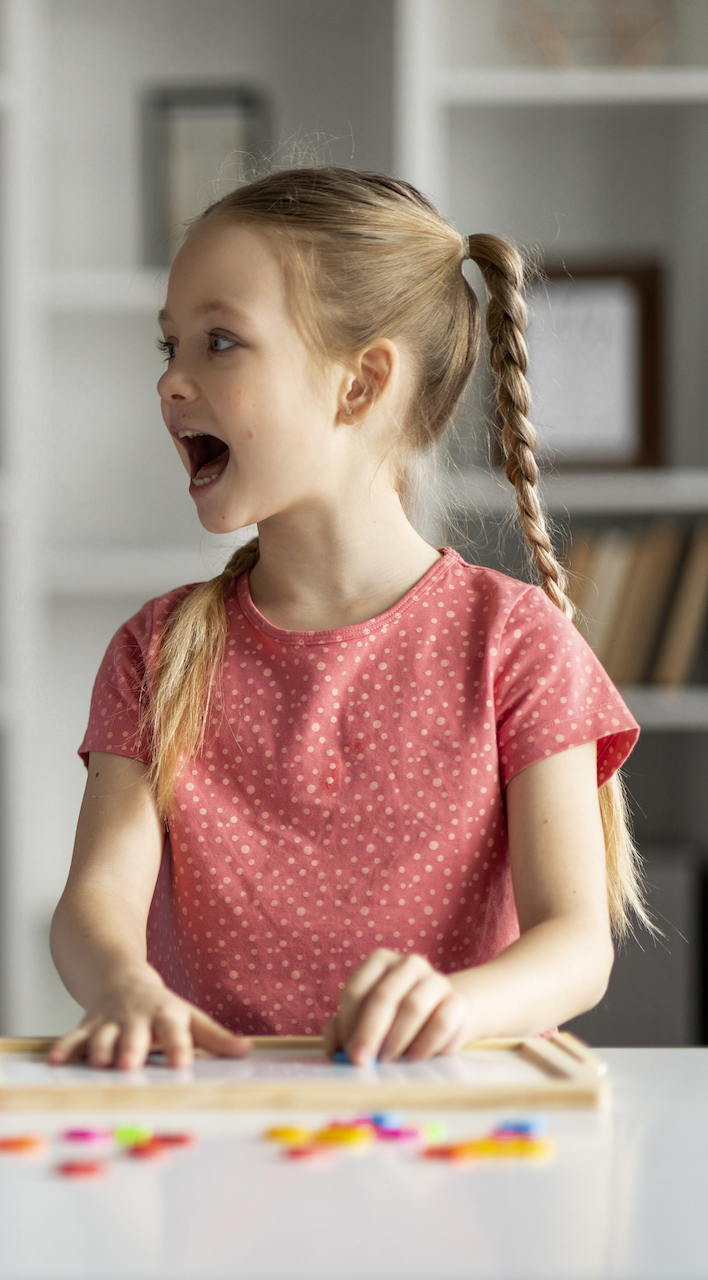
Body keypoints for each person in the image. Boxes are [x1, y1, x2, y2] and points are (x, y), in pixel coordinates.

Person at [50, 167, 642, 1069]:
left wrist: (458, 1005)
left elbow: (576, 948)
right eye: (169, 346)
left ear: (361, 385)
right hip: (221, 1124)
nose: (171, 381)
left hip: (450, 1126)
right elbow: (94, 905)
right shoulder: (155, 651)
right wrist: (122, 985)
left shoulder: (515, 643)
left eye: (219, 341)